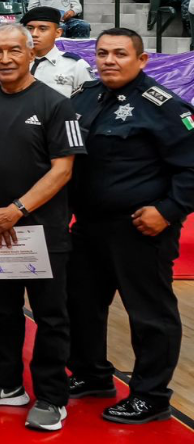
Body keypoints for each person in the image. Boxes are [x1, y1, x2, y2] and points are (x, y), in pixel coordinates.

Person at [0, 24, 83, 432]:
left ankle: (51, 396)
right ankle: (5, 384)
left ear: (31, 54)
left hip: (43, 231)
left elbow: (64, 169)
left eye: (14, 50)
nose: (5, 59)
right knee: (2, 311)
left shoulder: (57, 104)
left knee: (51, 315)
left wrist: (17, 209)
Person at [66, 28, 194, 425]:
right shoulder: (84, 97)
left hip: (140, 229)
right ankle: (91, 373)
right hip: (88, 225)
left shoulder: (165, 106)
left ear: (142, 60)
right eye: (102, 53)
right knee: (82, 305)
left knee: (148, 314)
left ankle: (151, 395)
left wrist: (168, 211)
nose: (108, 60)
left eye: (120, 54)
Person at [21, 7, 93, 98]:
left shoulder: (75, 66)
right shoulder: (16, 63)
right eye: (30, 28)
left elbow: (88, 102)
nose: (34, 34)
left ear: (58, 33)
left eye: (42, 29)